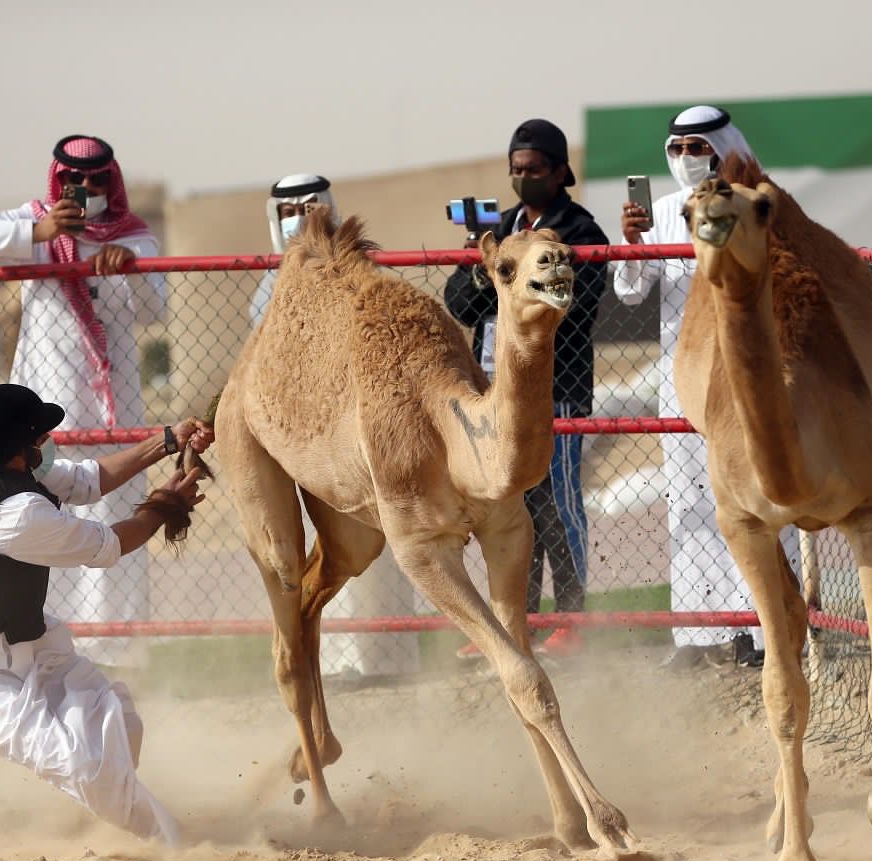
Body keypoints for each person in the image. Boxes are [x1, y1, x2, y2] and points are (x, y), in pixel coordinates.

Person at [0, 383, 213, 845]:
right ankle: (173, 844)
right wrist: (167, 503)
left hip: (29, 642)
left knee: (121, 722)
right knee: (83, 763)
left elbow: (90, 480)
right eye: (39, 437)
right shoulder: (16, 515)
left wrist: (167, 440)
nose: (47, 442)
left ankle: (111, 813)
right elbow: (110, 544)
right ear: (16, 450)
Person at [0, 135, 164, 664]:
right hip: (44, 410)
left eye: (95, 181)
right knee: (44, 509)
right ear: (58, 180)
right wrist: (39, 232)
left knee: (111, 508)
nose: (86, 190)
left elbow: (155, 309)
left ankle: (113, 649)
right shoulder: (36, 226)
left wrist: (129, 270)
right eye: (76, 180)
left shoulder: (134, 238)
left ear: (110, 181)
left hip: (113, 406)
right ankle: (45, 640)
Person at [611, 105, 796, 669]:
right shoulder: (663, 213)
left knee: (762, 497)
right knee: (690, 504)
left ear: (721, 147)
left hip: (749, 374)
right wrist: (634, 243)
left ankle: (769, 632)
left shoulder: (752, 203)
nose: (688, 158)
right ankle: (699, 633)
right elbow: (630, 293)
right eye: (678, 149)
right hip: (686, 380)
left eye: (698, 147)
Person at [444, 119, 608, 659]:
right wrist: (482, 271)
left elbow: (573, 307)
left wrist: (511, 285)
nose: (524, 177)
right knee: (510, 510)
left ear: (561, 171)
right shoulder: (504, 232)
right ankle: (519, 624)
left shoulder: (581, 231)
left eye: (534, 169)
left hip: (553, 390)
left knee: (558, 502)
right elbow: (462, 304)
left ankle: (573, 619)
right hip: (495, 392)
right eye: (516, 169)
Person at [250, 174, 419, 681]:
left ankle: (391, 660)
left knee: (377, 538)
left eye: (308, 206)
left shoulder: (356, 270)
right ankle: (337, 665)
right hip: (301, 437)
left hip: (357, 432)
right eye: (287, 210)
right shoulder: (267, 289)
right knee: (320, 549)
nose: (298, 218)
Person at [248, 173, 338, 327]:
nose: (298, 219)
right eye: (289, 213)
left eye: (307, 210)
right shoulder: (272, 278)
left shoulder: (349, 265)